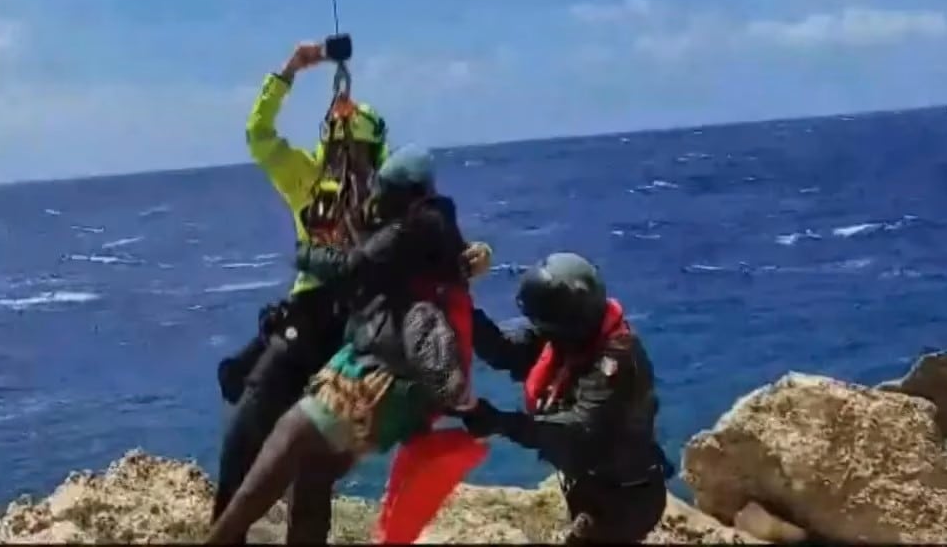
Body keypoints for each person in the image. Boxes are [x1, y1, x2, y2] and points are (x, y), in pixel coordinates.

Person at [207, 145, 490, 544]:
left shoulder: (416, 227)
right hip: (394, 380)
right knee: (313, 473)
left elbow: (351, 270)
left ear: (404, 192)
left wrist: (308, 253)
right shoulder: (433, 229)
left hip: (382, 382)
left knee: (288, 437)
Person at [210, 41, 393, 542]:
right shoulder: (314, 180)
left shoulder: (383, 197)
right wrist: (290, 69)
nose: (344, 161)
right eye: (339, 149)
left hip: (350, 335)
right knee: (246, 436)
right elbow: (259, 134)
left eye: (353, 152)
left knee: (313, 468)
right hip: (314, 325)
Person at [458, 253, 672, 545]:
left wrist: (502, 423)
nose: (539, 330)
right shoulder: (572, 338)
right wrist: (462, 312)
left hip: (624, 498)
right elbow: (505, 351)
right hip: (594, 485)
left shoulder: (617, 361)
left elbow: (579, 429)